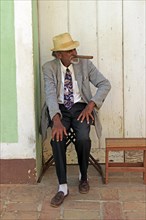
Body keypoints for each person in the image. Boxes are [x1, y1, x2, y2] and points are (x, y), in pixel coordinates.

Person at [42, 32, 111, 207]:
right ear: (59, 54)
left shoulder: (85, 64)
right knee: (57, 138)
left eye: (74, 48)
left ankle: (83, 175)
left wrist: (91, 105)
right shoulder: (48, 68)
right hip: (60, 109)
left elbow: (105, 84)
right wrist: (56, 119)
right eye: (69, 50)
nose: (74, 52)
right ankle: (62, 187)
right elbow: (50, 94)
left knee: (83, 138)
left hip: (81, 108)